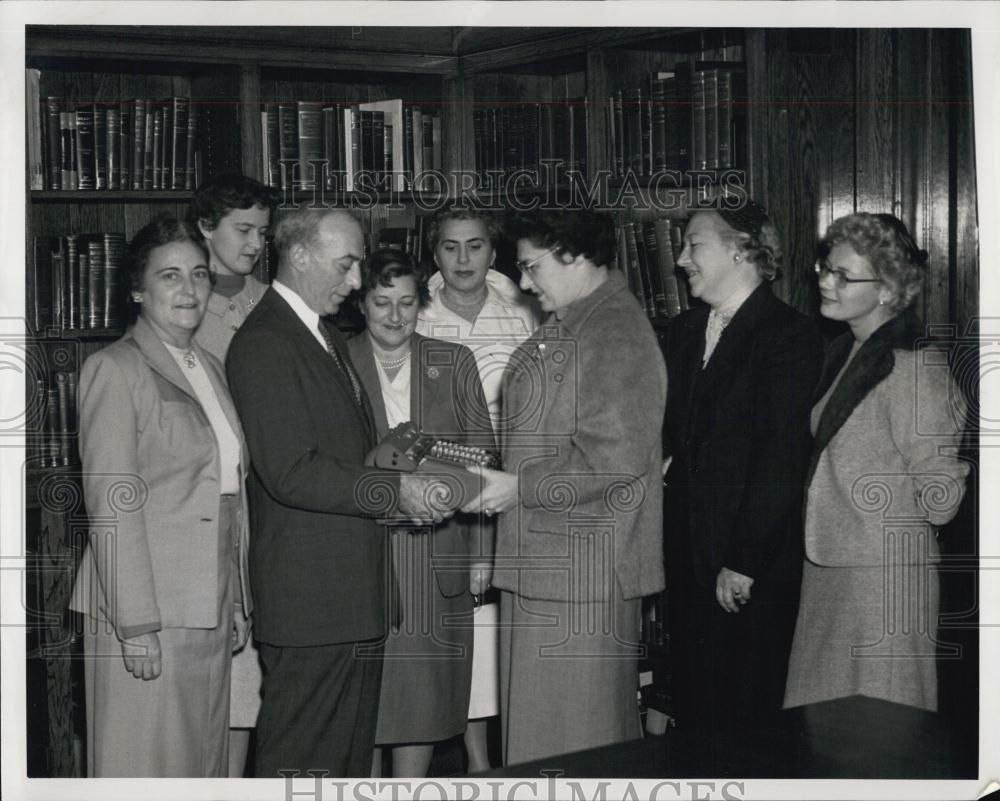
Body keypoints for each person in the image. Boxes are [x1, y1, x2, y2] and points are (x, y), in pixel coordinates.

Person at [225, 208, 447, 778]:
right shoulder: (266, 341)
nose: (355, 283)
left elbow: (342, 457)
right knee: (301, 767)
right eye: (345, 265)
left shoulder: (318, 333)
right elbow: (293, 471)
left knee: (342, 769)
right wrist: (397, 490)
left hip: (347, 600)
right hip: (313, 607)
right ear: (299, 256)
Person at [463, 208, 666, 765]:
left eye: (532, 266)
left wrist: (518, 488)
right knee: (540, 745)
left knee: (574, 748)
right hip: (545, 563)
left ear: (573, 254)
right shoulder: (573, 322)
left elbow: (613, 460)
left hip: (582, 575)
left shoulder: (616, 330)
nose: (525, 282)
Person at [69, 215, 251, 777]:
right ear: (137, 289)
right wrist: (137, 625)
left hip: (208, 602)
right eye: (169, 276)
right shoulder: (114, 370)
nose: (189, 289)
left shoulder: (210, 367)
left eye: (198, 274)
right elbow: (111, 506)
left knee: (200, 764)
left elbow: (229, 489)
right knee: (144, 767)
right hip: (145, 611)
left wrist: (238, 598)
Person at [784, 213, 969, 712]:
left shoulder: (914, 368)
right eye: (826, 267)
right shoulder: (849, 350)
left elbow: (942, 500)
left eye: (843, 275)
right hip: (833, 569)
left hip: (882, 585)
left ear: (887, 290)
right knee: (827, 734)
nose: (824, 279)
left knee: (880, 737)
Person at [662, 200, 822, 733]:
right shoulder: (684, 332)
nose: (681, 259)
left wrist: (744, 560)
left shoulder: (788, 335)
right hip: (686, 557)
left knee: (744, 718)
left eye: (693, 245)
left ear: (741, 250)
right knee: (696, 709)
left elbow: (780, 458)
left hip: (743, 567)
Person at [347, 248, 495, 777]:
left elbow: (484, 459)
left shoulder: (453, 363)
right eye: (381, 301)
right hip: (364, 555)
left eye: (406, 302)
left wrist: (483, 555)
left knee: (425, 702)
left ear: (421, 304)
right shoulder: (336, 361)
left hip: (440, 554)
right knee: (362, 702)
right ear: (361, 303)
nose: (394, 315)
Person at [416, 206, 539, 770]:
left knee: (501, 610)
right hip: (446, 472)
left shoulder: (522, 306)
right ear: (433, 252)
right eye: (449, 247)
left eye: (474, 246)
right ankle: (460, 745)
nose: (462, 259)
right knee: (455, 613)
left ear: (493, 251)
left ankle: (498, 747)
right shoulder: (415, 310)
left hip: (514, 472)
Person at [187, 171, 275, 777]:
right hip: (209, 496)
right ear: (204, 228)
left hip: (264, 490)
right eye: (242, 229)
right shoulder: (185, 303)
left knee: (250, 675)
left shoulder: (270, 299)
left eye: (263, 232)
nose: (254, 243)